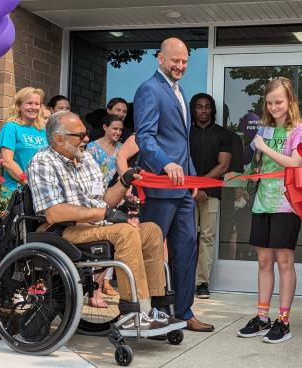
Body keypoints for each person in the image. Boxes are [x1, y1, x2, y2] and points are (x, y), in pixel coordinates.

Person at [26, 111, 183, 332]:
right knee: (124, 232)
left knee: (151, 230)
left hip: (96, 227)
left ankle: (154, 307)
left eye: (86, 134)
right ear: (59, 139)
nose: (86, 139)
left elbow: (105, 201)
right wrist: (103, 215)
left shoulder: (86, 159)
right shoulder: (43, 161)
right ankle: (134, 312)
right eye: (80, 135)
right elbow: (54, 213)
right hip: (65, 230)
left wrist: (124, 181)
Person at [134, 37, 214, 332]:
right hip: (159, 185)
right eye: (174, 61)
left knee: (187, 249)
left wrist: (191, 176)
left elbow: (182, 142)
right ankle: (155, 312)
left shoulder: (180, 91)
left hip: (182, 188)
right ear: (160, 59)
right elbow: (145, 137)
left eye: (184, 62)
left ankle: (184, 311)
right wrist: (165, 163)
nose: (180, 66)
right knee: (154, 251)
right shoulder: (149, 90)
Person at [235, 77, 302, 344]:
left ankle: (284, 320)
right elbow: (258, 161)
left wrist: (265, 147)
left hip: (286, 204)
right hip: (262, 203)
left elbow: (295, 163)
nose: (274, 107)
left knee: (285, 262)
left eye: (279, 101)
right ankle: (262, 317)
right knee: (264, 262)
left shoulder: (299, 130)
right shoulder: (264, 128)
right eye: (269, 102)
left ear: (290, 101)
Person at [189, 93, 232, 299]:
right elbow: (179, 161)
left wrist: (201, 185)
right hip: (186, 193)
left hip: (211, 193)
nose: (203, 110)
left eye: (207, 107)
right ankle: (183, 280)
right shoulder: (185, 133)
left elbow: (223, 165)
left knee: (207, 237)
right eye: (199, 107)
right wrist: (194, 187)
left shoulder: (223, 134)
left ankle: (201, 283)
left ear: (212, 110)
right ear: (193, 109)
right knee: (186, 237)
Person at [86, 114, 125, 303]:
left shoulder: (122, 149)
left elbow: (123, 174)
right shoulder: (92, 147)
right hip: (93, 199)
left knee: (109, 244)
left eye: (120, 129)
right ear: (105, 127)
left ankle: (100, 287)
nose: (117, 132)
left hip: (113, 198)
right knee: (96, 243)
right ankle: (92, 289)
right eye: (114, 129)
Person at [0, 87, 48, 193]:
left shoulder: (43, 131)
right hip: (16, 192)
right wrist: (28, 184)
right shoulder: (11, 128)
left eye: (37, 104)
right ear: (19, 106)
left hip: (41, 192)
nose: (34, 107)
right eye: (29, 103)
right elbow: (7, 162)